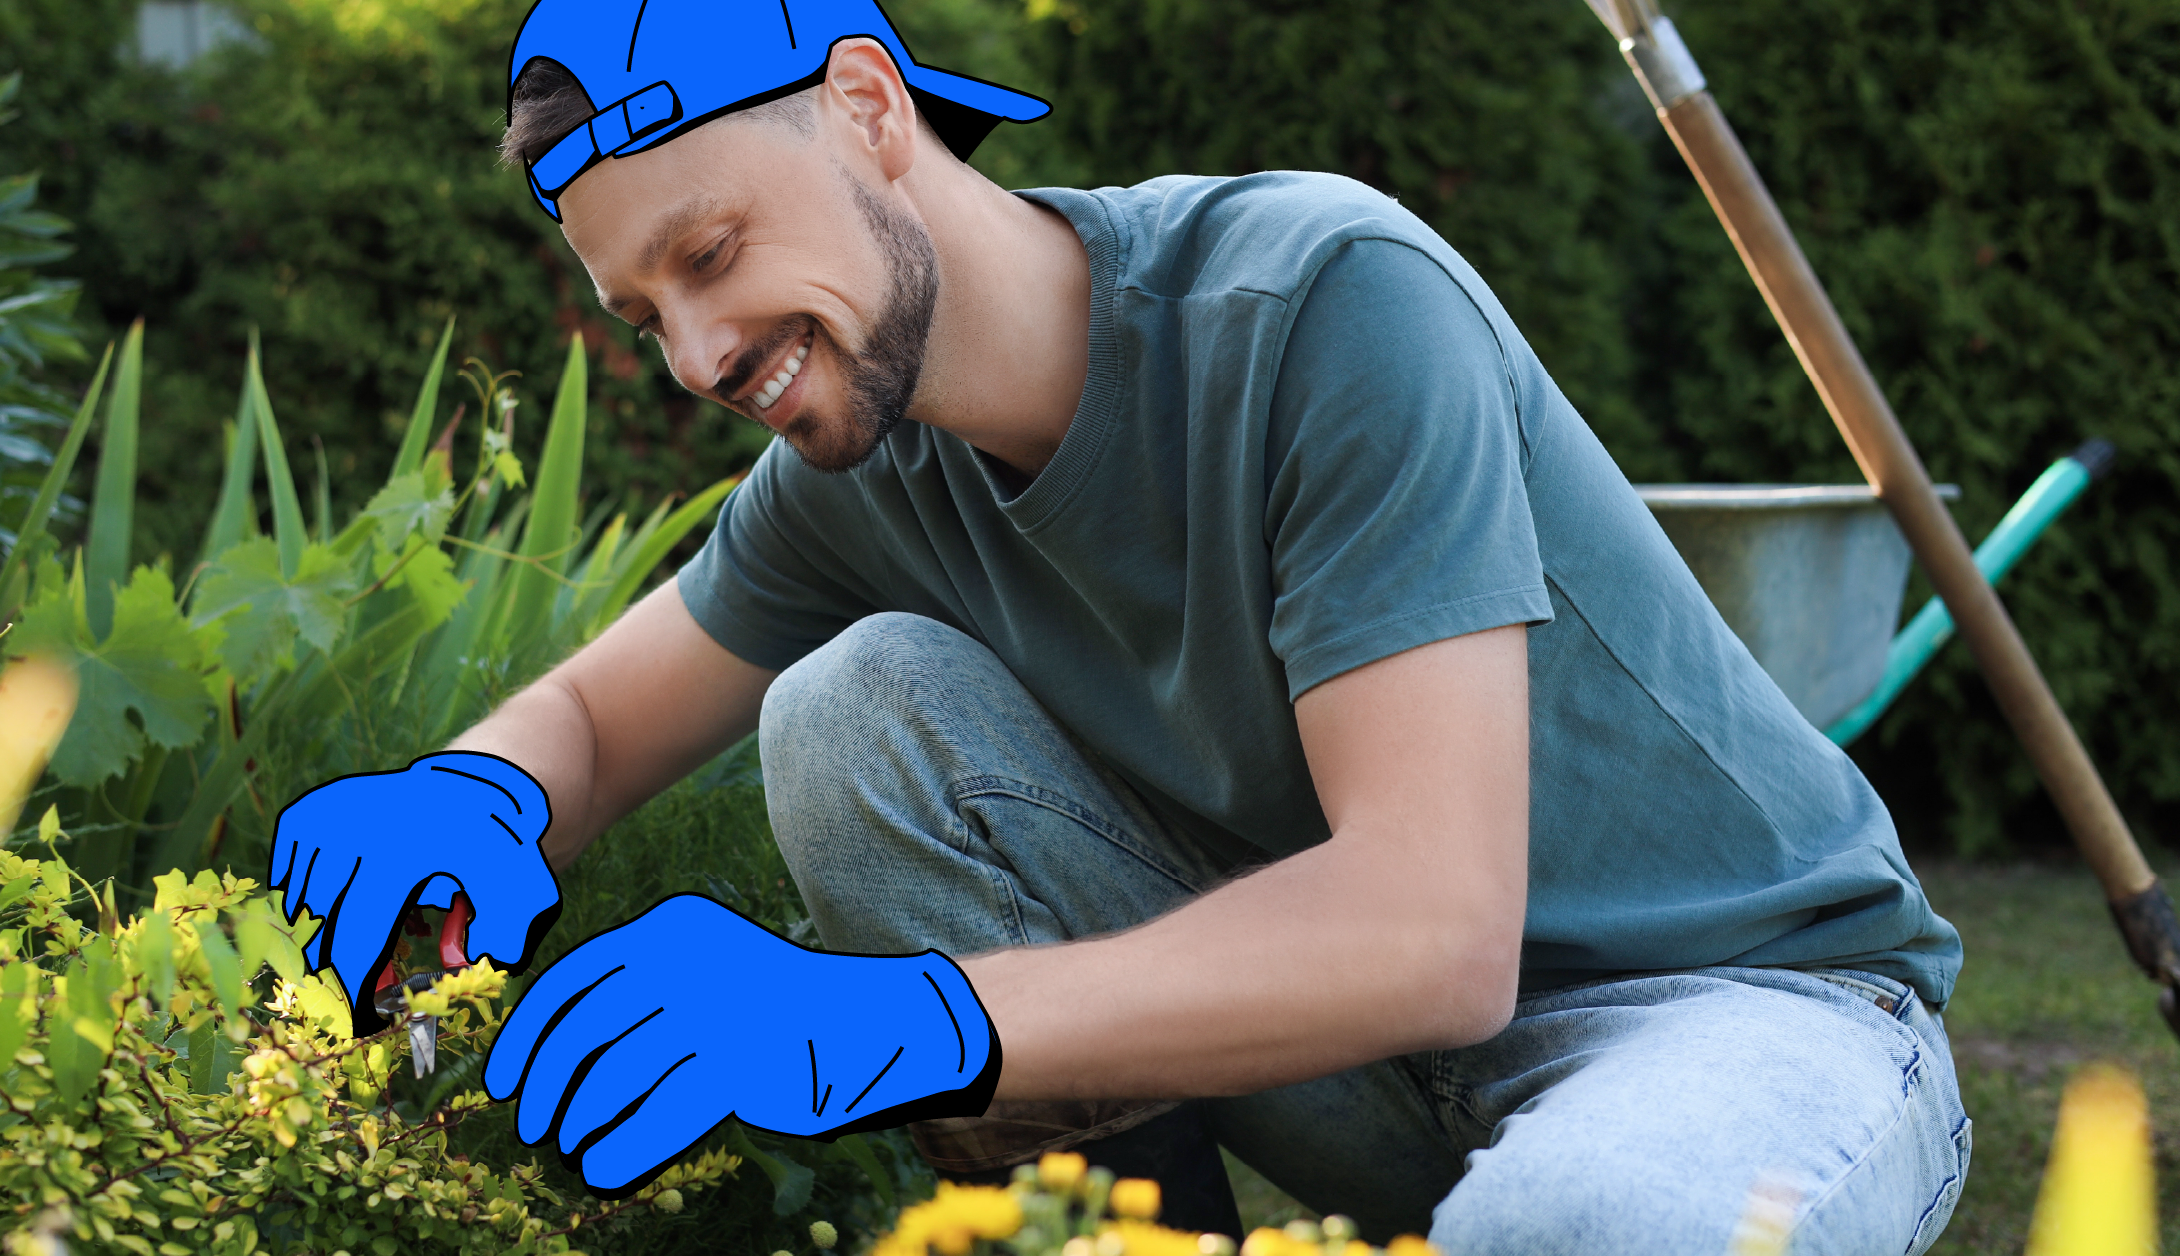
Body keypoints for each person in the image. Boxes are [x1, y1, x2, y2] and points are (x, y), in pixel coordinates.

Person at [268, 0, 1971, 1248]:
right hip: (1372, 1076)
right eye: (644, 312)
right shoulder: (869, 458)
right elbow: (586, 719)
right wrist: (473, 798)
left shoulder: (1320, 302)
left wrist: (894, 1025)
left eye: (711, 252)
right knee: (855, 709)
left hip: (1735, 1014)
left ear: (866, 104)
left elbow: (1435, 931)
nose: (700, 354)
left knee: (1588, 1228)